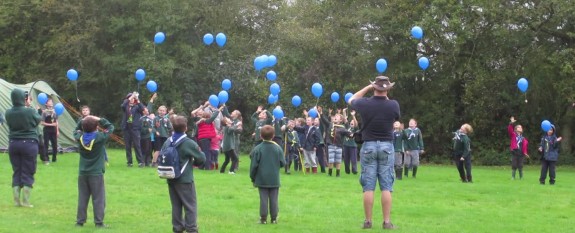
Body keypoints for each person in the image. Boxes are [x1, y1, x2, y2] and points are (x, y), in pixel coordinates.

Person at [348, 76, 400, 230]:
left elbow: (351, 99)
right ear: (387, 89)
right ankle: (386, 222)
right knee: (386, 186)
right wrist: (385, 91)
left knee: (368, 186)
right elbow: (394, 113)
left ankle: (368, 222)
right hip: (386, 146)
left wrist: (367, 88)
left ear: (374, 87)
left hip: (369, 145)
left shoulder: (365, 103)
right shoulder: (393, 105)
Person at [165, 115, 206, 233]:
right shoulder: (188, 142)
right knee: (190, 206)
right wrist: (195, 162)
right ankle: (192, 229)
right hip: (185, 179)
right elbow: (202, 158)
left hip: (171, 178)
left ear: (173, 127)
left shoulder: (168, 141)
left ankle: (177, 228)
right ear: (186, 128)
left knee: (176, 206)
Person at [74, 115, 114, 228]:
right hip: (96, 173)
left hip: (83, 173)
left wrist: (81, 121)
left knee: (82, 197)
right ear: (96, 127)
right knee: (98, 198)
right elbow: (110, 127)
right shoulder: (100, 138)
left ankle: (80, 221)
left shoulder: (79, 137)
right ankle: (99, 222)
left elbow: (75, 130)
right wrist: (100, 119)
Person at [5, 89, 42, 207]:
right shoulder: (30, 111)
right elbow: (37, 120)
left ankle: (16, 201)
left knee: (17, 170)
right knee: (28, 170)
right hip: (29, 143)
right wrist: (37, 111)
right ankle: (25, 201)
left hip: (13, 143)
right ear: (23, 98)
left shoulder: (8, 112)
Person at [250, 125, 285, 224]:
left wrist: (253, 178)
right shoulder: (277, 148)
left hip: (261, 179)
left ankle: (263, 218)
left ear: (260, 136)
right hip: (274, 178)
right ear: (273, 136)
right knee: (274, 199)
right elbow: (283, 163)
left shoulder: (257, 149)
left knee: (263, 199)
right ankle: (274, 218)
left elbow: (253, 166)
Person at [120, 92, 146, 167]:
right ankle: (129, 162)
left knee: (137, 145)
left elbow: (143, 109)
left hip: (135, 128)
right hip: (126, 128)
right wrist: (131, 97)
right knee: (128, 146)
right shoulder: (125, 106)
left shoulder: (137, 106)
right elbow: (123, 105)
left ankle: (140, 162)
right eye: (130, 98)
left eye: (133, 98)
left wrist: (137, 99)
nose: (132, 99)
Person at [40, 98, 59, 163]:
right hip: (47, 130)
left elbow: (56, 122)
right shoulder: (44, 112)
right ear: (46, 104)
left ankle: (54, 158)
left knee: (55, 144)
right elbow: (42, 122)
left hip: (54, 130)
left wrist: (57, 130)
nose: (51, 102)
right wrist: (50, 125)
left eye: (51, 101)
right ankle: (46, 158)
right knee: (46, 144)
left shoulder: (55, 111)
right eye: (49, 101)